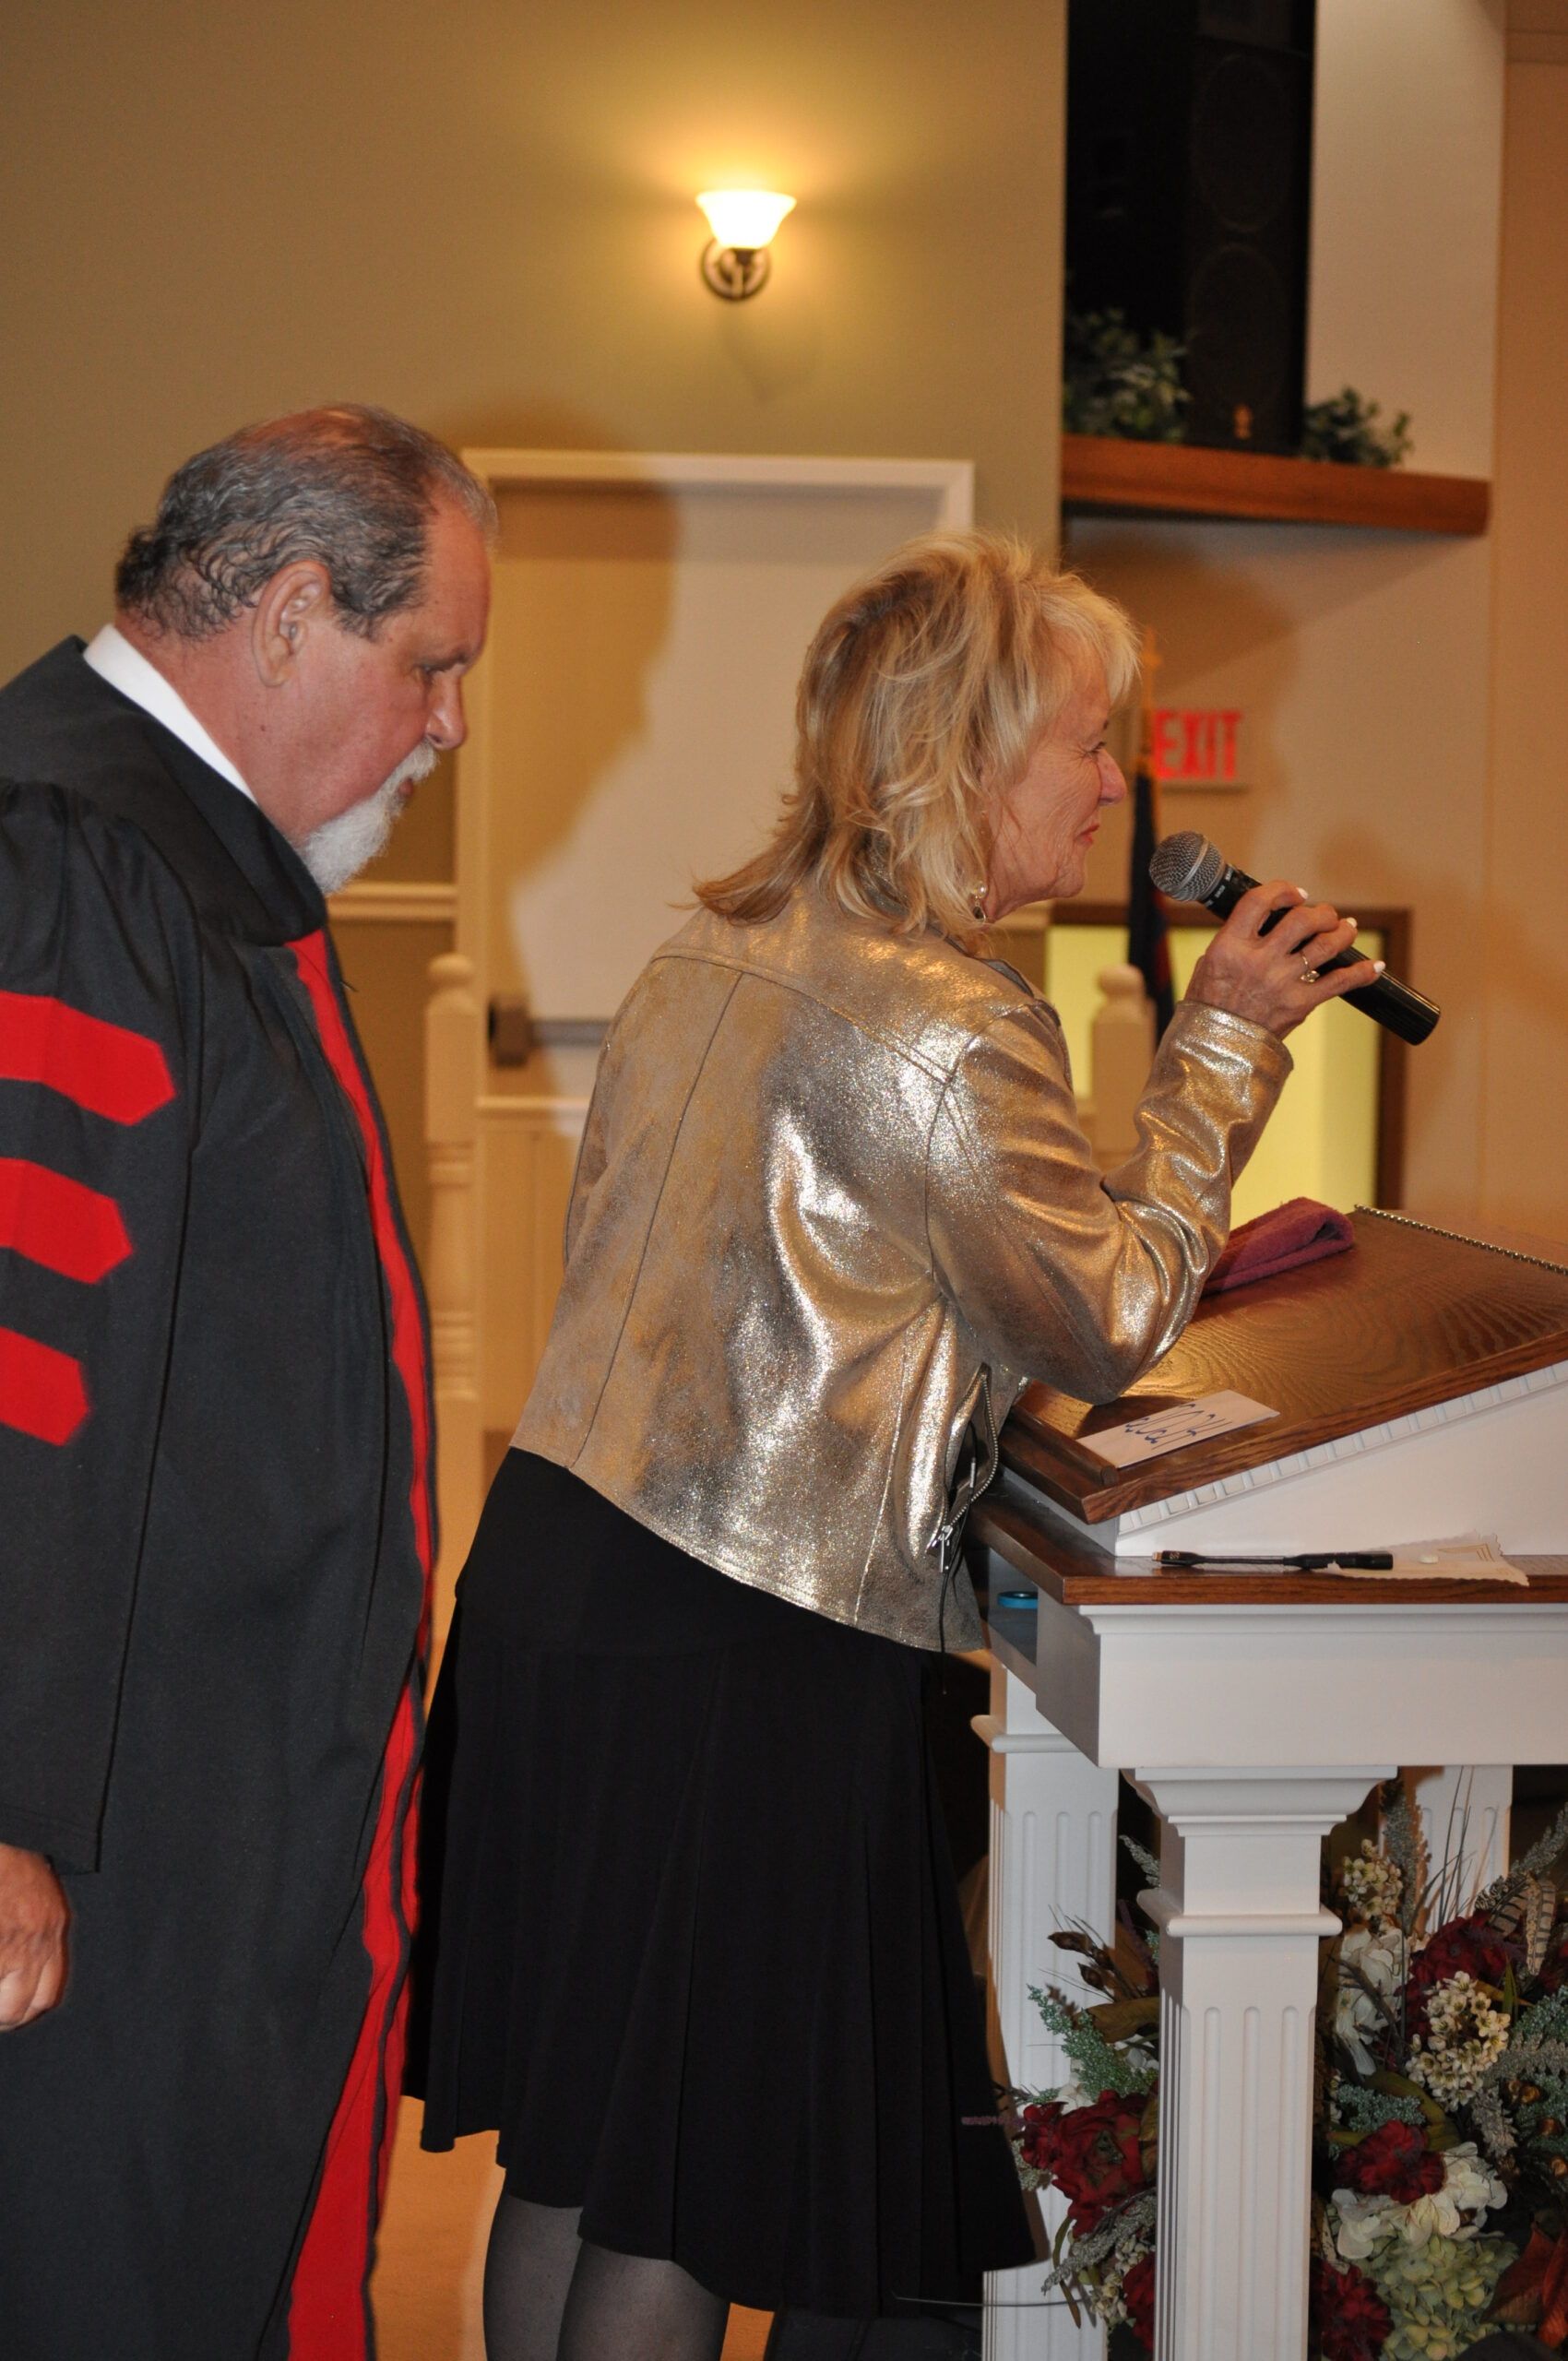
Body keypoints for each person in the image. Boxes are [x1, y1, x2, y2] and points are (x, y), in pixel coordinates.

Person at [409, 529, 1379, 2361]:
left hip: (559, 1572)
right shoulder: (948, 1022)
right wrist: (1222, 1049)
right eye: (1086, 743)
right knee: (682, 2181)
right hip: (746, 1632)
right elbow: (1104, 1314)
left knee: (583, 2147)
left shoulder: (714, 942)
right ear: (966, 755)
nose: (1114, 783)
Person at [0, 405, 494, 2361]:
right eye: (432, 660)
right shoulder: (81, 861)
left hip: (203, 1809)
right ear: (292, 612)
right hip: (110, 1838)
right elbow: (22, 1371)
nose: (449, 720)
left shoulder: (188, 859)